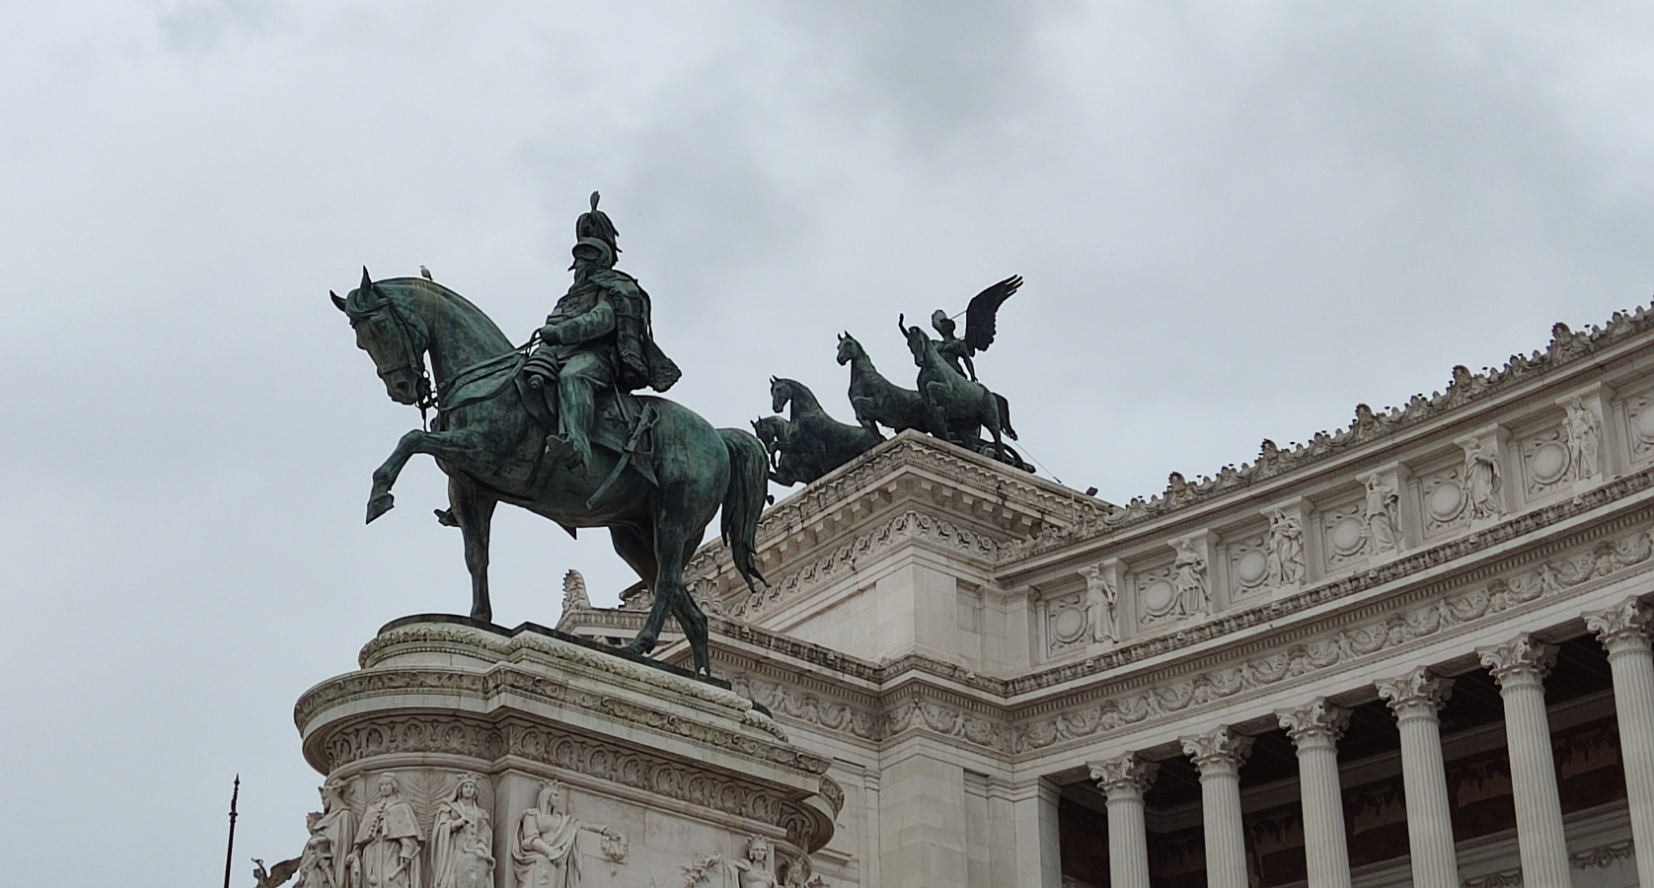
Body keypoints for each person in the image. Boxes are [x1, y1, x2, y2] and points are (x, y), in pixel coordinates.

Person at [523, 193, 680, 473]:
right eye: (579, 257)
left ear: (601, 258)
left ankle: (576, 444)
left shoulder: (616, 286)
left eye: (587, 257)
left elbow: (602, 319)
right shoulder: (569, 296)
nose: (581, 263)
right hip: (555, 352)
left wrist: (560, 332)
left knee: (574, 377)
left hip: (598, 358)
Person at [512, 780, 623, 888]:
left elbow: (579, 825)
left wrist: (601, 829)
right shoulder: (532, 815)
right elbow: (529, 840)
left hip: (558, 861)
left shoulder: (561, 819)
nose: (558, 798)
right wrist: (549, 851)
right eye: (555, 795)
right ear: (546, 796)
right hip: (539, 860)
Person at [351, 774, 423, 888]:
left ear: (393, 786)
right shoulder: (372, 809)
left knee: (391, 881)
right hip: (372, 851)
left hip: (391, 849)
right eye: (381, 785)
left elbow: (408, 835)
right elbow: (361, 837)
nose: (384, 787)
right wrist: (356, 851)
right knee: (372, 883)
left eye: (387, 784)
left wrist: (406, 850)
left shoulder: (401, 807)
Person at [431, 773, 494, 888]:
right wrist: (456, 824)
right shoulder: (451, 807)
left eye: (471, 787)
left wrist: (482, 845)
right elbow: (441, 827)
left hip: (476, 850)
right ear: (460, 789)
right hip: (456, 849)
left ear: (475, 791)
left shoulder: (480, 812)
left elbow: (485, 831)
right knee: (457, 877)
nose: (469, 790)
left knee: (477, 877)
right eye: (466, 787)